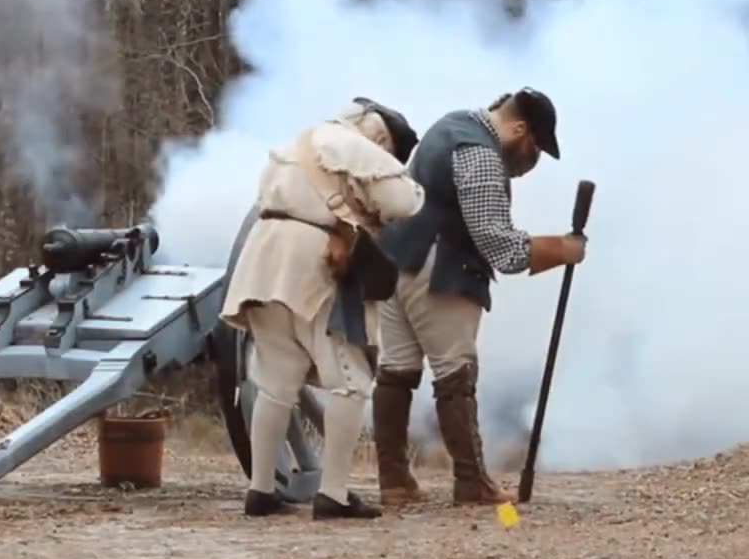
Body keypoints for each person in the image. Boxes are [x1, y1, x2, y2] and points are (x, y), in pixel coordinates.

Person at [373, 88, 587, 506]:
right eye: (535, 146)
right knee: (456, 374)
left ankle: (395, 483)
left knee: (396, 371)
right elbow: (500, 246)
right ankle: (472, 483)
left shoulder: (448, 126)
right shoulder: (480, 153)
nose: (531, 160)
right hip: (440, 270)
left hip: (395, 260)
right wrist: (562, 249)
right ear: (520, 128)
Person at [221, 97, 425, 520]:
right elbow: (404, 203)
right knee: (350, 379)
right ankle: (333, 493)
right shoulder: (358, 147)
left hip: (264, 255)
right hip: (312, 260)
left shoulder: (295, 146)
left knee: (276, 381)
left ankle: (261, 489)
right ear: (382, 137)